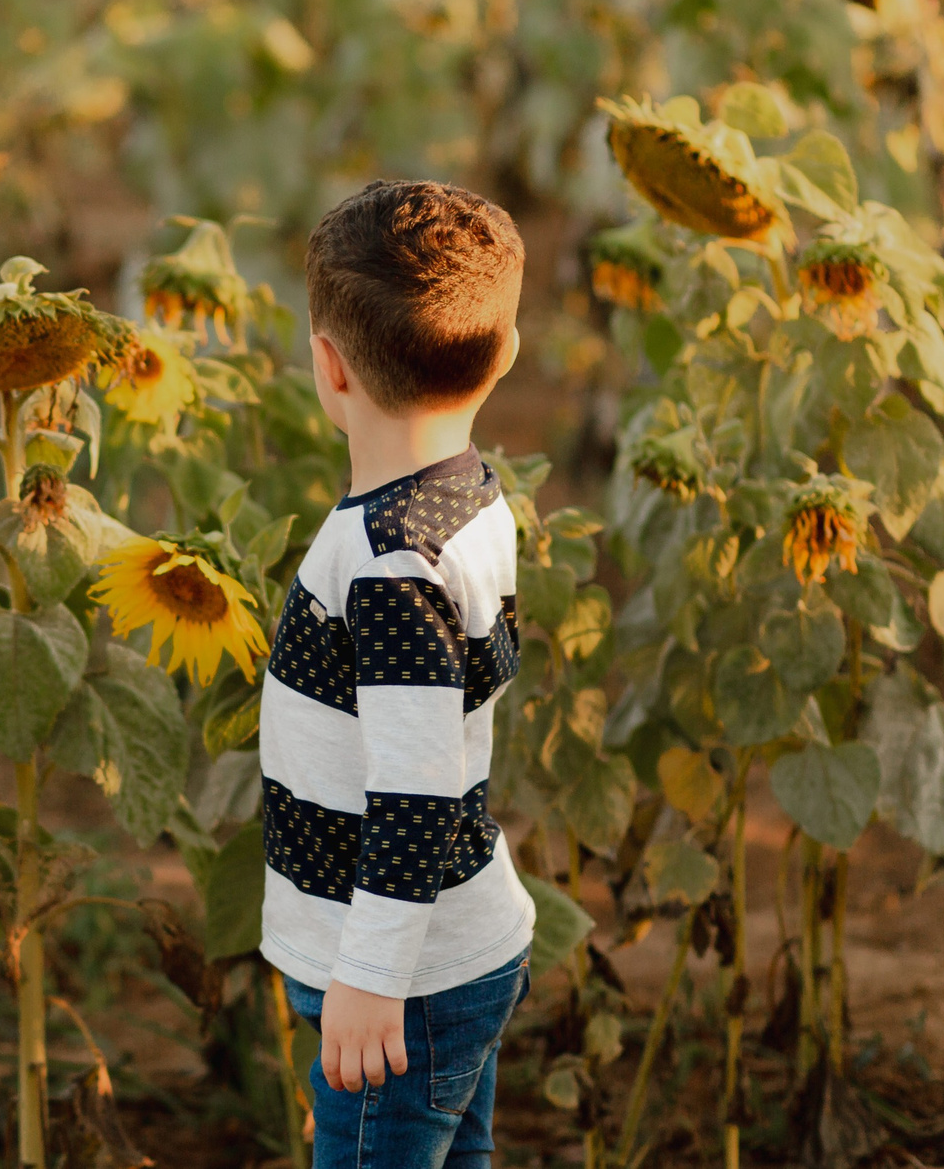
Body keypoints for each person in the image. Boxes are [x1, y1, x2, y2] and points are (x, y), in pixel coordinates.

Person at [261, 179, 537, 1169]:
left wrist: (369, 978)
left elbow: (415, 794)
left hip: (400, 982)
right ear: (504, 356)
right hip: (446, 949)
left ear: (328, 369)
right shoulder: (468, 494)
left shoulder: (387, 568)